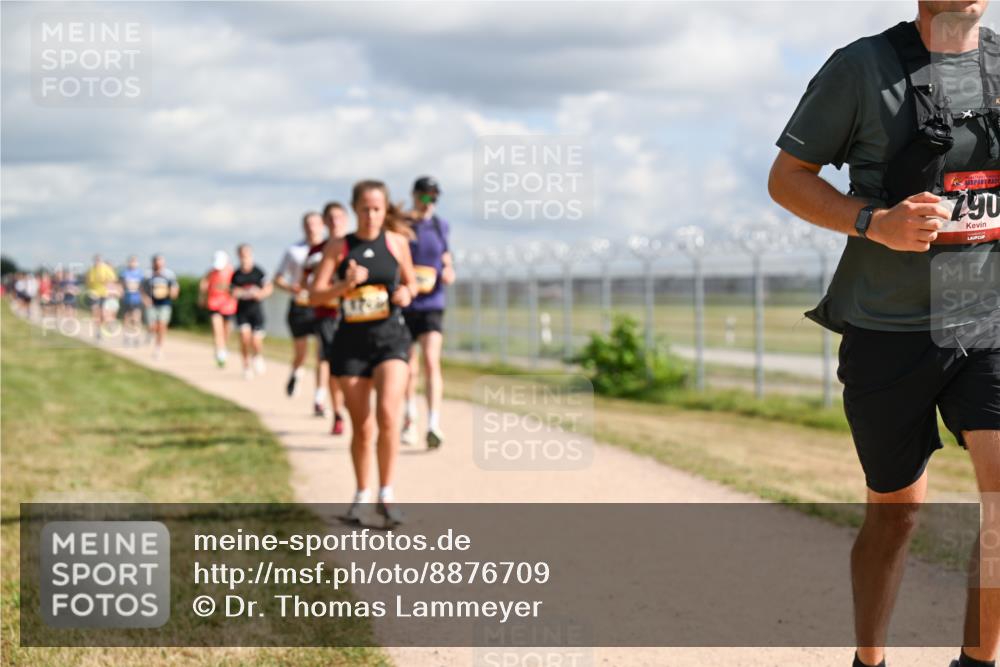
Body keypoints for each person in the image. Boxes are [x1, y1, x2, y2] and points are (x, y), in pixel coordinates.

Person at [768, 3, 999, 666]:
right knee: (895, 515)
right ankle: (869, 658)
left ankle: (977, 659)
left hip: (987, 318)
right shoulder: (861, 69)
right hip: (887, 328)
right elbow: (787, 179)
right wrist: (875, 222)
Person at [309, 180, 418, 526]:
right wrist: (345, 284)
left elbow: (411, 283)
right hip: (351, 343)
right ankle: (361, 494)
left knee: (388, 414)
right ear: (354, 210)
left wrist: (406, 295)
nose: (371, 215)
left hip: (390, 339)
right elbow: (315, 296)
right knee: (363, 426)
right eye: (365, 209)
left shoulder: (397, 243)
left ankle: (386, 493)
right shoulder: (339, 247)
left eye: (377, 209)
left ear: (385, 211)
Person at [401, 176, 456, 449]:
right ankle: (409, 417)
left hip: (432, 303)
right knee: (409, 368)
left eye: (433, 197)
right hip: (407, 303)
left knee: (432, 361)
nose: (428, 202)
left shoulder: (440, 226)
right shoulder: (403, 225)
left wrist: (448, 270)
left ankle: (433, 422)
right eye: (424, 196)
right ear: (414, 195)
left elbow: (446, 257)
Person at [300, 202, 350, 432]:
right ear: (325, 222)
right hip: (326, 314)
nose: (335, 222)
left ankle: (350, 401)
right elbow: (304, 282)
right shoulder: (315, 252)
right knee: (331, 362)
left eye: (339, 217)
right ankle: (338, 412)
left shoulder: (355, 246)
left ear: (347, 219)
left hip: (355, 314)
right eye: (330, 218)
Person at [274, 212, 329, 408]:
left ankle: (319, 397)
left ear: (323, 225)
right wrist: (291, 287)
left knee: (323, 353)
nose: (311, 227)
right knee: (301, 352)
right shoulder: (293, 250)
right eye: (308, 224)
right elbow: (278, 278)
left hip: (322, 305)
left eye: (315, 223)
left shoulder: (330, 249)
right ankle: (296, 372)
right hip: (300, 304)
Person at [231, 243, 272, 379]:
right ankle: (246, 366)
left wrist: (260, 294)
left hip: (256, 311)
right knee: (244, 338)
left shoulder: (258, 271)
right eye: (242, 254)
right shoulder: (236, 274)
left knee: (256, 340)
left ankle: (257, 356)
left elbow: (268, 288)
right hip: (242, 311)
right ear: (238, 255)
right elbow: (232, 290)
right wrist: (240, 293)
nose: (244, 257)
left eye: (247, 253)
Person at [199, 250, 238, 368]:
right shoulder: (210, 272)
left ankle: (223, 348)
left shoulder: (232, 272)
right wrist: (202, 296)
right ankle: (220, 353)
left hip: (229, 305)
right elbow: (203, 284)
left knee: (226, 331)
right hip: (214, 304)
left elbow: (236, 288)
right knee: (217, 330)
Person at [141, 254, 179, 360]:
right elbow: (142, 289)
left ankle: (159, 348)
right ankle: (150, 332)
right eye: (157, 262)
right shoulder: (148, 274)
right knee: (152, 326)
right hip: (151, 304)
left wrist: (174, 292)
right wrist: (145, 299)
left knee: (162, 325)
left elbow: (174, 286)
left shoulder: (169, 274)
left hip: (164, 304)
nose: (158, 264)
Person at [84, 255, 117, 338]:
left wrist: (106, 281)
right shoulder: (91, 270)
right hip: (94, 294)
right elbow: (87, 281)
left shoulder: (105, 268)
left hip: (104, 294)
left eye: (98, 261)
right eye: (96, 261)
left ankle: (103, 326)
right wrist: (89, 288)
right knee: (95, 312)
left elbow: (113, 278)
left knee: (102, 313)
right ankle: (98, 331)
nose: (97, 262)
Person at [119, 256, 145, 346]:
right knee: (126, 319)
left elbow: (142, 287)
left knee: (136, 319)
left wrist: (144, 297)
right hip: (127, 299)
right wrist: (120, 292)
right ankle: (127, 337)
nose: (132, 264)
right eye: (131, 262)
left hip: (136, 299)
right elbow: (121, 285)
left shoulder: (140, 274)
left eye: (134, 262)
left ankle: (136, 337)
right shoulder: (124, 273)